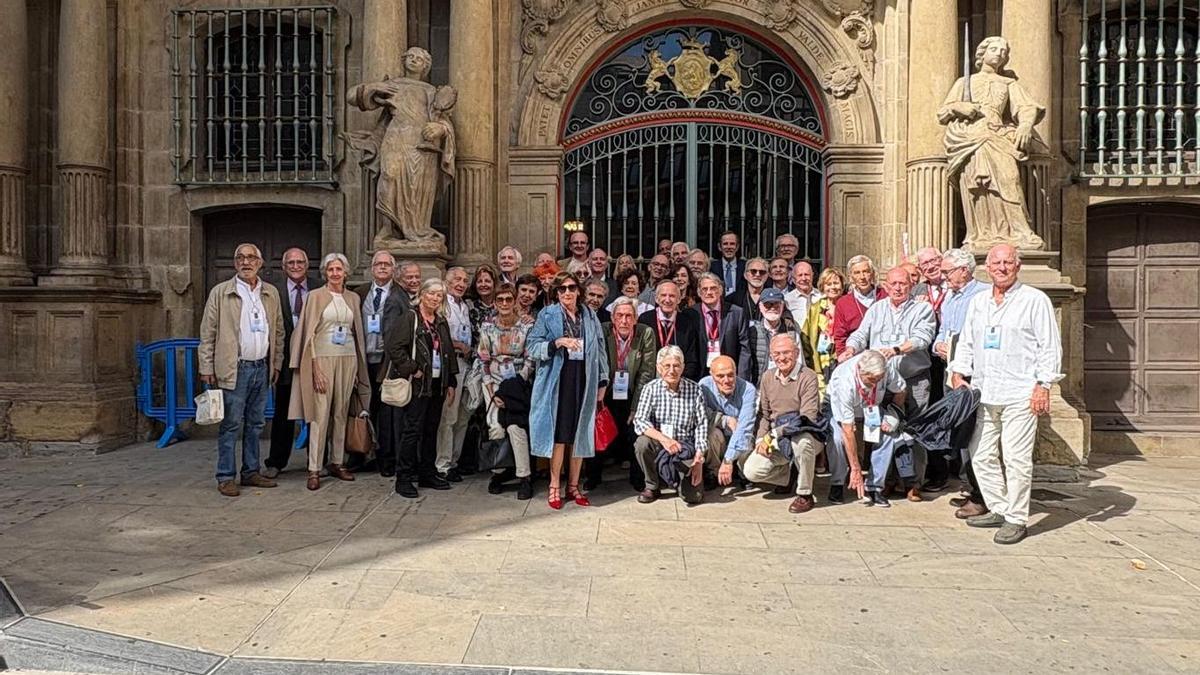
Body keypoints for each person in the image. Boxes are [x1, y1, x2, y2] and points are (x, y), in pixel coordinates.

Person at [949, 244, 1062, 545]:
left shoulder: (1034, 300)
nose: (1001, 267)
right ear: (987, 267)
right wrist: (959, 370)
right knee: (981, 454)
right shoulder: (979, 302)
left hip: (1021, 393)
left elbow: (1049, 346)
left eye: (1007, 262)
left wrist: (1044, 385)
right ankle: (998, 507)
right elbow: (968, 340)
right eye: (996, 262)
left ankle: (1016, 518)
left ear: (1018, 265)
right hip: (985, 391)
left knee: (1016, 458)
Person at [199, 243, 284, 497]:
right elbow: (208, 332)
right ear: (235, 263)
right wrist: (206, 366)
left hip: (261, 367)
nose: (245, 262)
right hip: (234, 368)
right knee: (231, 424)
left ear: (260, 263)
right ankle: (226, 476)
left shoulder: (270, 293)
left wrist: (276, 362)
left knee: (256, 424)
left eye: (251, 258)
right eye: (240, 258)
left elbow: (277, 331)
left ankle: (251, 472)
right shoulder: (221, 292)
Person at [288, 253, 372, 491]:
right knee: (319, 414)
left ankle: (337, 461)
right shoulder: (314, 297)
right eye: (331, 269)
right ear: (325, 272)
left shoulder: (353, 298)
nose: (335, 273)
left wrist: (358, 368)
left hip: (348, 358)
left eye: (339, 269)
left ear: (346, 272)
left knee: (341, 412)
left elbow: (356, 332)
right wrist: (314, 367)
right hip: (322, 357)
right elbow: (308, 334)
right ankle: (314, 467)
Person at [527, 271, 609, 510]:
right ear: (556, 293)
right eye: (562, 289)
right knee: (560, 435)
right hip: (557, 380)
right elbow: (532, 346)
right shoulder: (547, 314)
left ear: (578, 291)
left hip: (584, 379)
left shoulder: (590, 315)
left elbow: (601, 350)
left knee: (579, 433)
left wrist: (602, 382)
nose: (567, 293)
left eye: (571, 288)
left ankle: (574, 486)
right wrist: (557, 343)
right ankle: (554, 485)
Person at [385, 278, 460, 498]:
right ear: (423, 293)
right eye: (432, 293)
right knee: (412, 430)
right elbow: (394, 347)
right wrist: (412, 369)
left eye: (439, 295)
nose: (435, 298)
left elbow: (447, 350)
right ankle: (404, 477)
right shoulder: (410, 317)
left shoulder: (440, 321)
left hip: (437, 383)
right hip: (419, 383)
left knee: (431, 429)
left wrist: (451, 381)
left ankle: (428, 472)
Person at [929, 247, 987, 497]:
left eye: (947, 272)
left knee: (972, 428)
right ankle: (967, 483)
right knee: (958, 425)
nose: (943, 277)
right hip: (950, 370)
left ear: (964, 270)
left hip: (973, 372)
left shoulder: (983, 295)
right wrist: (937, 344)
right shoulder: (951, 297)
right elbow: (944, 331)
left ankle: (976, 487)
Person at [748, 334, 824, 513]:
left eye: (786, 353)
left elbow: (807, 417)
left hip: (805, 434)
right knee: (752, 471)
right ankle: (789, 475)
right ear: (771, 356)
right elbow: (764, 415)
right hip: (777, 440)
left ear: (797, 353)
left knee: (802, 443)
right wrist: (760, 440)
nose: (782, 358)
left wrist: (773, 435)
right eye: (777, 354)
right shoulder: (767, 377)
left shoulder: (808, 376)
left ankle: (805, 493)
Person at [825, 350, 908, 507]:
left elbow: (901, 390)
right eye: (871, 380)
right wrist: (856, 468)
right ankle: (837, 482)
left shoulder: (885, 366)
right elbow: (847, 430)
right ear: (860, 370)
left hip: (872, 408)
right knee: (836, 438)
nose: (875, 383)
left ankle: (875, 486)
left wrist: (893, 415)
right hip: (840, 407)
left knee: (888, 435)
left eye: (879, 380)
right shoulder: (844, 381)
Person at [265, 246, 319, 479]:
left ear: (307, 265)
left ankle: (317, 461)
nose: (296, 266)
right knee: (283, 413)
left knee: (316, 412)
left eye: (300, 262)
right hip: (286, 360)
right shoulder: (272, 289)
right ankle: (276, 461)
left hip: (314, 358)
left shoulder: (319, 287)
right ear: (284, 266)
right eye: (291, 263)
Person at [478, 283, 535, 500]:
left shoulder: (526, 327)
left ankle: (524, 477)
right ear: (494, 302)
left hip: (517, 384)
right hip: (492, 383)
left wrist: (511, 389)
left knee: (515, 427)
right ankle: (499, 472)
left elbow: (530, 358)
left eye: (508, 299)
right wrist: (492, 390)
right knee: (496, 428)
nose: (504, 303)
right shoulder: (487, 327)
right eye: (499, 299)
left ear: (514, 301)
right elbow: (483, 358)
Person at [633, 346, 710, 505]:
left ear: (682, 367)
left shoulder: (695, 390)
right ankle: (652, 485)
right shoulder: (650, 389)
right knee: (642, 443)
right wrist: (664, 440)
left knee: (693, 497)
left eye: (676, 365)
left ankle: (678, 479)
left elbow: (701, 426)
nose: (672, 370)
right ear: (659, 368)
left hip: (684, 448)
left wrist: (699, 458)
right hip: (660, 443)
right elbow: (639, 421)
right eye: (667, 366)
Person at [346, 250, 400, 474]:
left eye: (387, 264)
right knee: (360, 409)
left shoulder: (400, 294)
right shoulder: (359, 293)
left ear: (393, 269)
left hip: (387, 362)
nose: (383, 267)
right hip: (363, 359)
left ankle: (385, 459)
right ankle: (357, 455)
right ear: (372, 268)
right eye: (379, 264)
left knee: (386, 412)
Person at [601, 297, 659, 491]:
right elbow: (598, 365)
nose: (624, 321)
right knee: (598, 427)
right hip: (606, 390)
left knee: (635, 431)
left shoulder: (645, 333)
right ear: (613, 318)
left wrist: (637, 407)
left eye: (628, 316)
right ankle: (593, 476)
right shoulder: (603, 330)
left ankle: (637, 478)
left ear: (635, 318)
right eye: (620, 316)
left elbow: (646, 372)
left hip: (633, 390)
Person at [435, 267, 475, 482]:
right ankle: (443, 464)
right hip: (450, 365)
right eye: (457, 280)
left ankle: (454, 460)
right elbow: (440, 336)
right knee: (448, 417)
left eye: (464, 280)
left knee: (463, 416)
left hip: (466, 365)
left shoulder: (465, 306)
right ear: (447, 281)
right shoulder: (443, 304)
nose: (461, 284)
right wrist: (457, 345)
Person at [699, 356, 757, 492]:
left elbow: (745, 427)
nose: (727, 380)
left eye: (731, 375)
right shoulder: (703, 386)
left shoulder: (748, 390)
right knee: (711, 433)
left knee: (746, 437)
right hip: (720, 435)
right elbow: (703, 414)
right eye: (720, 376)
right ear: (712, 375)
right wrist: (724, 420)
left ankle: (743, 473)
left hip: (739, 435)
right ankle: (713, 472)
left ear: (736, 372)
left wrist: (728, 460)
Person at [638, 280, 705, 381]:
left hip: (679, 381)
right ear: (656, 298)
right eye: (663, 295)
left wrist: (676, 381)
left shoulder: (687, 323)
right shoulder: (645, 320)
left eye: (672, 296)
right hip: (649, 380)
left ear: (679, 299)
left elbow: (692, 360)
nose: (667, 300)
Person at [696, 273, 751, 380]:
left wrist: (741, 379)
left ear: (721, 291)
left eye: (713, 288)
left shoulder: (736, 313)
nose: (709, 292)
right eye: (704, 289)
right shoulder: (691, 313)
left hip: (728, 374)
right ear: (699, 292)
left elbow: (745, 349)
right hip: (700, 373)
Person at [802, 267, 846, 395]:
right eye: (829, 284)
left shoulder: (848, 304)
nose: (833, 287)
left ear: (842, 285)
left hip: (842, 358)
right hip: (820, 361)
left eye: (836, 283)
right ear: (822, 286)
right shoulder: (816, 308)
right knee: (823, 398)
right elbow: (806, 337)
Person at [832, 254, 886, 355]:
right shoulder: (843, 303)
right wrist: (843, 359)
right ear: (851, 277)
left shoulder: (885, 296)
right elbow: (840, 337)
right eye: (857, 273)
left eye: (866, 272)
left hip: (884, 353)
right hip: (855, 356)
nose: (862, 277)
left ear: (873, 274)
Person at [748, 287, 801, 384]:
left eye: (776, 304)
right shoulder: (752, 332)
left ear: (782, 306)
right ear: (760, 307)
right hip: (759, 387)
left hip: (786, 385)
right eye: (768, 305)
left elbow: (799, 361)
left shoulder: (791, 330)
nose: (772, 308)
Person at [729, 257, 769, 325]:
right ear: (745, 275)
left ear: (767, 276)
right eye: (753, 271)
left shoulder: (774, 297)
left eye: (762, 272)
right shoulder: (732, 299)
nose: (757, 274)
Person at [784, 261, 821, 328]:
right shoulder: (787, 299)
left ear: (812, 275)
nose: (804, 279)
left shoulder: (821, 296)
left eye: (806, 274)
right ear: (794, 279)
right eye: (800, 275)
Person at [709, 230, 746, 298]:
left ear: (737, 247)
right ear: (719, 247)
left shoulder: (745, 267)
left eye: (732, 244)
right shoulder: (712, 267)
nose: (729, 247)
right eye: (725, 244)